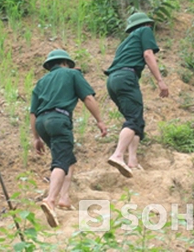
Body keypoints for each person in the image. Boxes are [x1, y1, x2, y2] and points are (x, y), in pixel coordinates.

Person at [30, 49, 107, 228]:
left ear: (50, 65)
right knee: (61, 161)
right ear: (65, 63)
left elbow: (32, 112)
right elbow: (88, 97)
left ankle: (64, 198)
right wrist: (100, 121)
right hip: (58, 119)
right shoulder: (72, 74)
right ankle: (50, 200)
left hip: (42, 123)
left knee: (68, 159)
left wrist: (36, 138)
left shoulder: (41, 81)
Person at [105, 12, 169, 177]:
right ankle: (118, 155)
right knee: (133, 119)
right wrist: (160, 81)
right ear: (146, 24)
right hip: (126, 77)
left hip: (113, 80)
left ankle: (132, 161)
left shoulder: (125, 43)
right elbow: (148, 54)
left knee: (135, 120)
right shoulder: (144, 31)